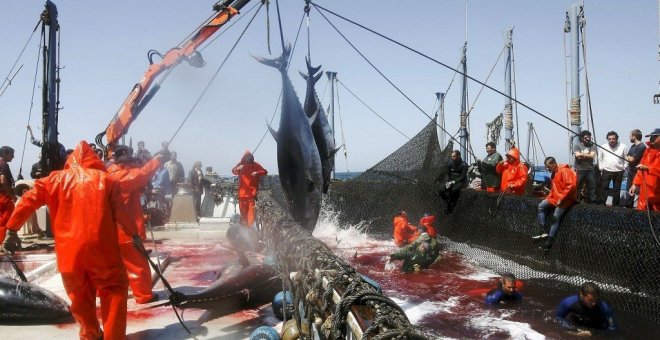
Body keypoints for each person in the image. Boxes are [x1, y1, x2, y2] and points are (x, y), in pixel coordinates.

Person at [2, 141, 140, 339]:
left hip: (69, 254)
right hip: (102, 251)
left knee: (79, 296)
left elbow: (27, 201)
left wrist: (12, 230)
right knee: (114, 290)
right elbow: (122, 213)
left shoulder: (53, 180)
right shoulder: (107, 180)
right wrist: (134, 234)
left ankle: (90, 334)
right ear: (95, 160)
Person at [107, 145, 163, 304]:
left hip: (109, 230)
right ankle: (144, 295)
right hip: (126, 230)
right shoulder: (122, 176)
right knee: (137, 265)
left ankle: (104, 292)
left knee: (111, 265)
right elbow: (142, 175)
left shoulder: (107, 173)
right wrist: (157, 160)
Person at [534, 157, 577, 250]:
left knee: (555, 217)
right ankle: (543, 229)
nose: (547, 169)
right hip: (556, 197)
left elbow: (571, 186)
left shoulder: (564, 170)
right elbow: (554, 189)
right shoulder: (554, 173)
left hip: (566, 199)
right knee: (541, 206)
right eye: (546, 167)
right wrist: (549, 197)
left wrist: (561, 198)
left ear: (554, 164)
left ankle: (549, 241)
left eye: (549, 167)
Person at [231, 151, 268, 226]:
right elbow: (233, 171)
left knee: (251, 214)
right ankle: (244, 229)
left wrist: (257, 172)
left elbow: (264, 171)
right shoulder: (241, 165)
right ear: (244, 158)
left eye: (250, 156)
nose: (249, 158)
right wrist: (238, 168)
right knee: (243, 213)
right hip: (242, 195)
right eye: (247, 156)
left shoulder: (256, 165)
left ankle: (250, 230)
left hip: (251, 194)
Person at [629, 128, 660, 211]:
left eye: (654, 137)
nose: (651, 139)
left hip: (657, 191)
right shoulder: (648, 151)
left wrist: (648, 168)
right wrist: (635, 184)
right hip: (645, 190)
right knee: (642, 212)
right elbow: (640, 168)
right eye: (650, 137)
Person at [597, 131, 627, 206]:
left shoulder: (623, 146)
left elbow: (626, 158)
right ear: (607, 139)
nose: (611, 140)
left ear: (617, 139)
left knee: (616, 189)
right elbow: (600, 158)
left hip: (619, 171)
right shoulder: (603, 146)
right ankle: (602, 204)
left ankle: (615, 205)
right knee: (604, 188)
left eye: (613, 139)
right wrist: (601, 168)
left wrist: (624, 167)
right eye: (609, 139)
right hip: (606, 170)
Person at [0, 146, 17, 251]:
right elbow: (2, 181)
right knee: (6, 221)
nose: (13, 157)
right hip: (4, 196)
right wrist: (12, 195)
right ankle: (2, 244)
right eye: (11, 154)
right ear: (5, 154)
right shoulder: (3, 165)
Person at [624, 129, 647, 208]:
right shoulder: (632, 146)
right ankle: (628, 207)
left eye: (630, 136)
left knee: (638, 191)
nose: (629, 138)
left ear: (634, 136)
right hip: (630, 171)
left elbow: (632, 159)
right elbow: (627, 156)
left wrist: (629, 158)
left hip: (637, 173)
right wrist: (629, 158)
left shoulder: (642, 146)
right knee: (628, 190)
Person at [573, 130, 597, 203]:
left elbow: (592, 156)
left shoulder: (592, 145)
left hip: (590, 169)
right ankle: (576, 201)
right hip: (580, 169)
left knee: (592, 187)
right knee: (578, 186)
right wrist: (588, 155)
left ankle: (593, 202)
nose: (588, 139)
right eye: (586, 137)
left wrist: (582, 154)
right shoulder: (577, 145)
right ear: (582, 138)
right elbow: (577, 156)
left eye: (589, 137)